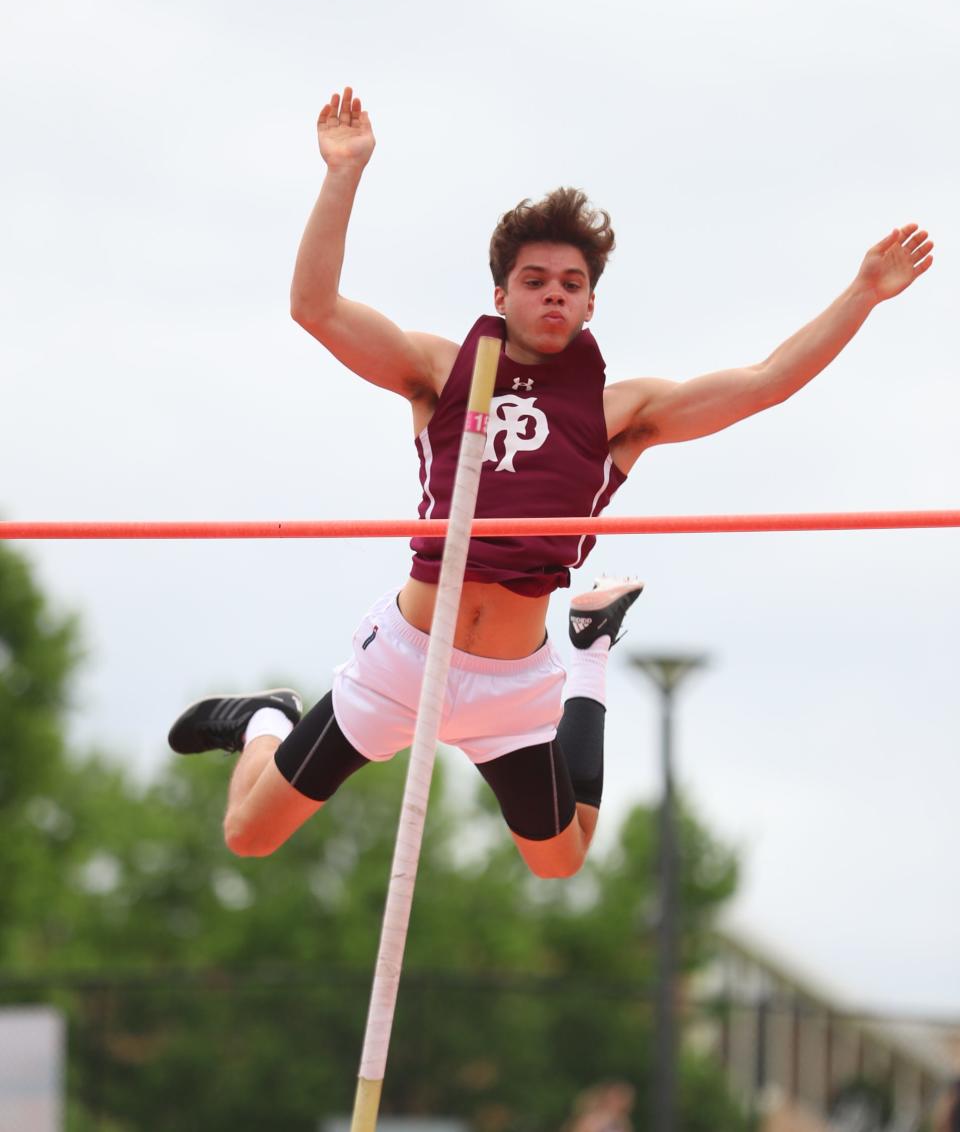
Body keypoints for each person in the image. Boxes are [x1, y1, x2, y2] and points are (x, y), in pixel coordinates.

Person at [168, 86, 933, 880]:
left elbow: (765, 381)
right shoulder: (439, 370)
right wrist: (344, 173)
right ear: (501, 296)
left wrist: (862, 295)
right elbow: (314, 308)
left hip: (510, 684)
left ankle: (589, 650)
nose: (554, 293)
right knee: (249, 835)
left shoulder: (620, 413)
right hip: (405, 660)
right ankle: (268, 717)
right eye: (535, 280)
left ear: (590, 303)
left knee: (560, 863)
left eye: (570, 282)